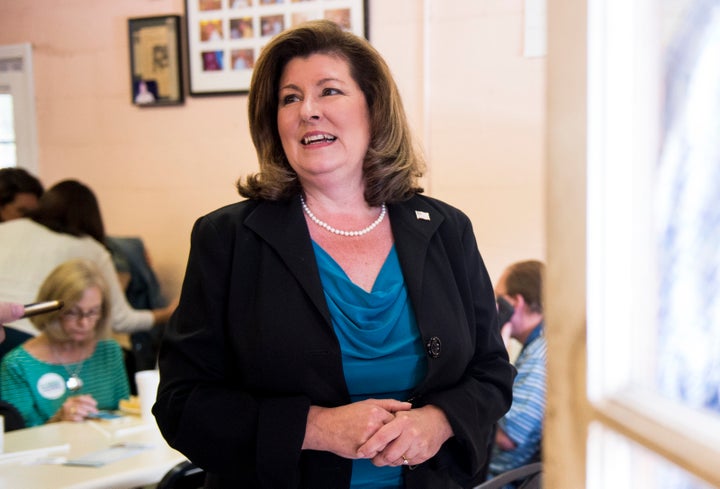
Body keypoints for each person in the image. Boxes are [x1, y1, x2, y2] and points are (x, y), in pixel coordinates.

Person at [154, 20, 515, 489]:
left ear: (374, 108)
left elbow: (492, 373)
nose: (308, 111)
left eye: (329, 92)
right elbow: (182, 404)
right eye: (289, 98)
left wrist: (440, 420)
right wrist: (313, 428)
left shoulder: (447, 230)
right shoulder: (227, 238)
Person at [0, 179, 176, 337]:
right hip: (32, 340)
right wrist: (167, 314)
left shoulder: (7, 228)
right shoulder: (91, 248)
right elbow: (121, 319)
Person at [0, 259, 130, 427]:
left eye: (93, 312)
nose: (84, 323)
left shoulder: (109, 351)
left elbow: (125, 416)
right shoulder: (17, 365)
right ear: (50, 310)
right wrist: (57, 422)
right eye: (73, 313)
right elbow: (14, 440)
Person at [487, 260, 547, 484]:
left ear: (516, 303)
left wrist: (496, 355)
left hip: (500, 479)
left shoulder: (541, 356)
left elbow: (507, 437)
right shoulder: (537, 345)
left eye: (498, 298)